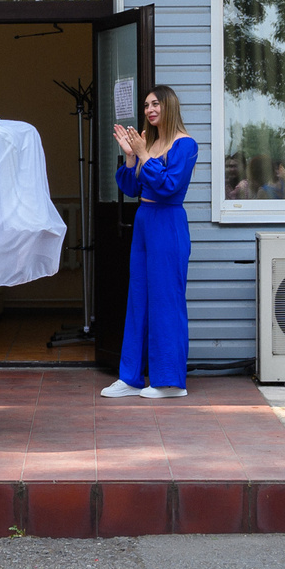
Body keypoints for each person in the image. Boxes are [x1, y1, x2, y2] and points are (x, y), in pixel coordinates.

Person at [108, 85, 197, 398]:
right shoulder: (151, 143)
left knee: (166, 300)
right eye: (146, 105)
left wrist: (145, 155)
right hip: (145, 221)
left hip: (168, 223)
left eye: (155, 104)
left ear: (169, 106)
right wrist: (132, 157)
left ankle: (169, 382)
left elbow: (169, 186)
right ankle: (130, 377)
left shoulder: (185, 144)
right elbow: (133, 188)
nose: (149, 110)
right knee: (139, 299)